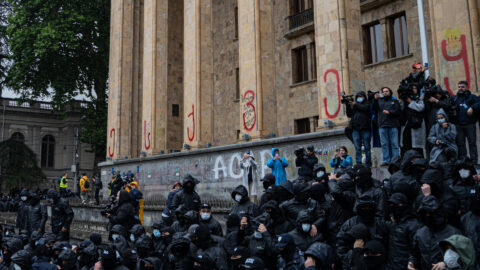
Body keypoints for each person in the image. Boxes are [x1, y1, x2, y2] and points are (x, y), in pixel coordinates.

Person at [450, 81, 479, 164]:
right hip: (458, 125)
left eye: (462, 87)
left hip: (470, 124)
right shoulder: (454, 98)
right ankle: (464, 161)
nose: (460, 89)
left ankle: (474, 161)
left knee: (472, 143)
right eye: (459, 87)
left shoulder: (472, 97)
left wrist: (472, 108)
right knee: (460, 144)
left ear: (466, 87)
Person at [373, 87, 401, 166]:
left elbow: (398, 111)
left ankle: (395, 160)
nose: (385, 93)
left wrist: (390, 112)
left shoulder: (395, 101)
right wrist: (375, 99)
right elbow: (373, 109)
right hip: (382, 126)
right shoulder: (379, 101)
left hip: (393, 125)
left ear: (390, 92)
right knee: (384, 144)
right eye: (383, 91)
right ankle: (386, 160)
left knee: (394, 144)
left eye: (387, 91)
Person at [346, 91, 372, 167]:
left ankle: (368, 163)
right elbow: (349, 114)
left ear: (364, 97)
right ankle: (358, 163)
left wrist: (355, 104)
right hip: (355, 129)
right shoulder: (354, 105)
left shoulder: (367, 104)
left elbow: (365, 108)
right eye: (358, 97)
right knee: (357, 147)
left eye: (361, 96)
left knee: (367, 147)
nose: (359, 98)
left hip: (365, 129)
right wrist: (348, 105)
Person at [400, 83, 426, 156]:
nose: (413, 90)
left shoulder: (420, 98)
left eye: (415, 88)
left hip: (416, 124)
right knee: (406, 144)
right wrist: (402, 99)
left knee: (417, 146)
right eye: (412, 88)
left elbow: (421, 108)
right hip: (406, 125)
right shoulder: (405, 99)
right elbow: (400, 109)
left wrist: (410, 102)